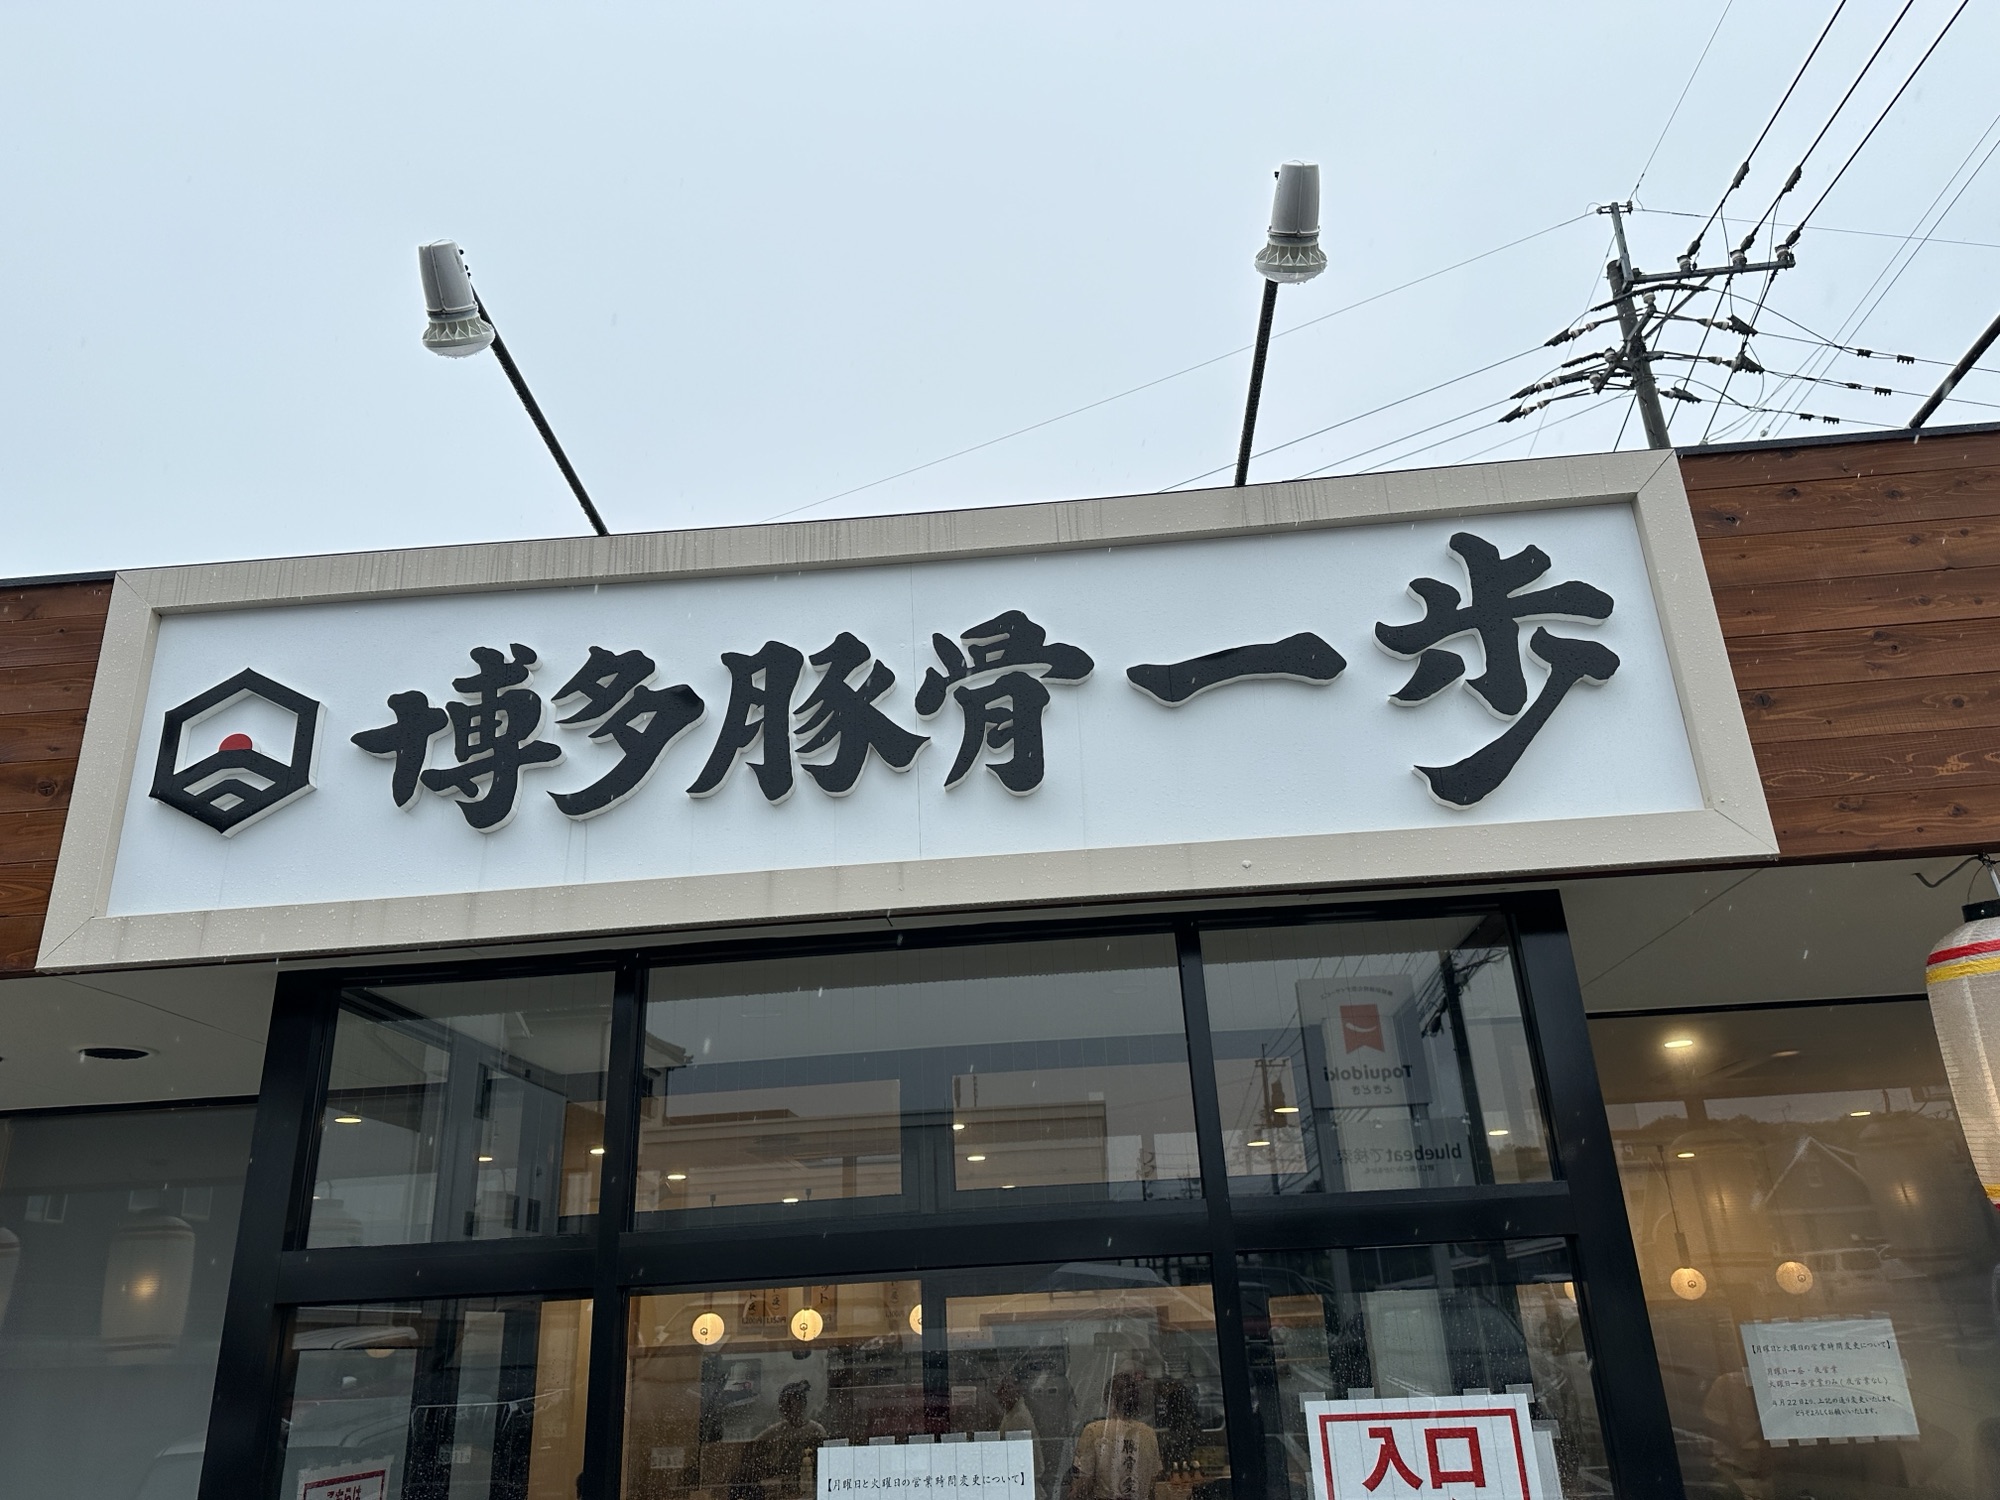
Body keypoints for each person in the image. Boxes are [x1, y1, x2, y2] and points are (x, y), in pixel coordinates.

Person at [1068, 1373, 1161, 1500]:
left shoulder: (1094, 1431)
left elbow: (1084, 1483)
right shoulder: (1148, 1433)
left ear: (1109, 1400)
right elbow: (1153, 1482)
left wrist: (1072, 1493)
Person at [738, 1379, 828, 1498]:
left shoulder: (816, 1430)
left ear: (802, 1404)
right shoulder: (776, 1431)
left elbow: (824, 1464)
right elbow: (750, 1448)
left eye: (791, 1404)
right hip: (779, 1487)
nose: (787, 1410)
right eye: (784, 1406)